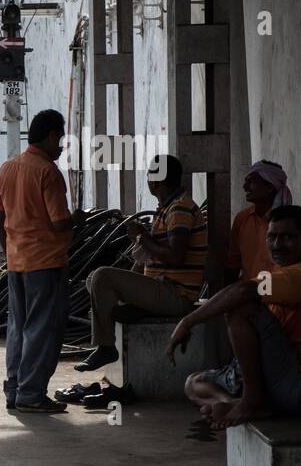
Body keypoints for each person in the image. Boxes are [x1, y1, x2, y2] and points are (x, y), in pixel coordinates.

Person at [179, 205, 301, 428]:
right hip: (282, 377)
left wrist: (187, 322)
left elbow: (242, 291)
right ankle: (231, 403)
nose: (278, 245)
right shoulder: (285, 270)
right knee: (193, 384)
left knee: (240, 307)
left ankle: (252, 402)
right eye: (272, 237)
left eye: (288, 237)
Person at [74, 155, 206, 372]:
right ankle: (140, 310)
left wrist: (140, 237)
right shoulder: (167, 207)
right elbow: (151, 257)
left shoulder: (179, 209)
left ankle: (106, 347)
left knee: (102, 277)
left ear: (155, 181)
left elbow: (176, 256)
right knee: (93, 281)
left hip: (176, 294)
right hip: (162, 287)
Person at [0, 109, 86, 413]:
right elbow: (60, 222)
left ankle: (14, 389)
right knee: (42, 329)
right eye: (60, 139)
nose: (61, 146)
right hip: (45, 263)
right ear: (50, 136)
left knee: (18, 327)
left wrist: (9, 247)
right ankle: (31, 394)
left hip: (16, 262)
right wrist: (78, 220)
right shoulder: (48, 172)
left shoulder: (7, 168)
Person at [224, 160, 289, 283]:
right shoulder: (242, 219)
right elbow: (233, 263)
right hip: (249, 295)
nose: (245, 187)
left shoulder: (287, 222)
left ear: (269, 187)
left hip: (278, 293)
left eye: (251, 182)